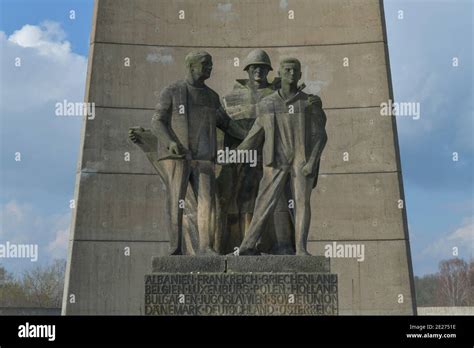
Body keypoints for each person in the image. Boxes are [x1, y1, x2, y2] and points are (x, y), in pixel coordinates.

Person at [137, 51, 245, 255]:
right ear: (191, 66)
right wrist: (170, 142)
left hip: (204, 158)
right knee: (175, 200)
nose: (210, 67)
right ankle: (175, 247)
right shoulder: (173, 90)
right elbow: (157, 121)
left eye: (211, 64)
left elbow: (227, 124)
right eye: (205, 64)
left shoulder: (212, 97)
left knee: (207, 202)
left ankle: (206, 247)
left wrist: (251, 134)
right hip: (177, 155)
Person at [236, 58, 327, 256]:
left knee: (302, 203)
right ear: (280, 72)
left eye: (295, 70)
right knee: (264, 201)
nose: (291, 74)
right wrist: (233, 155)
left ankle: (301, 249)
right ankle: (247, 246)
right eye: (287, 70)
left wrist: (312, 162)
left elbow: (321, 135)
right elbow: (254, 134)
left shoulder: (308, 102)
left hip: (302, 162)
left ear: (300, 74)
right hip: (275, 160)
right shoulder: (268, 103)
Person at [217, 49, 294, 254]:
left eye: (262, 67)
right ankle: (242, 241)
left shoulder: (276, 95)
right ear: (247, 70)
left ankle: (273, 244)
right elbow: (225, 126)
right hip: (242, 154)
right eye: (254, 67)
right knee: (242, 199)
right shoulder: (232, 98)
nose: (258, 71)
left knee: (274, 199)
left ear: (268, 70)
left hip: (269, 155)